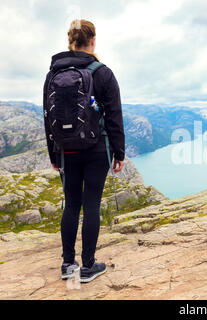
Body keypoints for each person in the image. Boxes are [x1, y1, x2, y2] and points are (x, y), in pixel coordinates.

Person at [43, 19, 125, 283]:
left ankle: (68, 265)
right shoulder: (103, 73)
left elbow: (48, 117)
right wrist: (119, 152)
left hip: (66, 150)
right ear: (93, 41)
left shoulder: (53, 74)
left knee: (71, 204)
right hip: (96, 148)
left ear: (71, 41)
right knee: (91, 204)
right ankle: (88, 266)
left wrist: (53, 154)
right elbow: (114, 116)